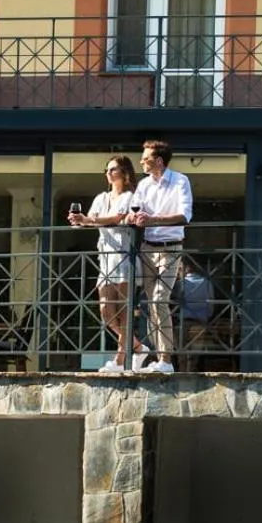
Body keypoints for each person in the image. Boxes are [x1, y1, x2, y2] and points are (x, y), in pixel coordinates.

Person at [68, 154, 145, 373]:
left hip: (123, 255)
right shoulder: (102, 197)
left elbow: (117, 218)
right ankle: (138, 348)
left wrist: (87, 220)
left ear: (125, 173)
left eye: (113, 169)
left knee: (123, 310)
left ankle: (120, 360)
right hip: (106, 257)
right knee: (105, 311)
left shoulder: (131, 196)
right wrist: (78, 221)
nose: (108, 173)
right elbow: (91, 219)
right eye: (107, 170)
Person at [129, 139, 193, 375]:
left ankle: (166, 359)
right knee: (150, 303)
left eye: (145, 158)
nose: (141, 162)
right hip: (147, 247)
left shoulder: (180, 181)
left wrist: (153, 220)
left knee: (158, 300)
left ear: (158, 161)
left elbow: (185, 216)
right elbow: (135, 209)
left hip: (170, 247)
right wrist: (131, 218)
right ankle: (158, 358)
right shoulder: (144, 184)